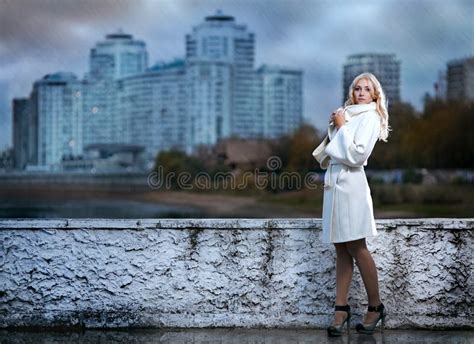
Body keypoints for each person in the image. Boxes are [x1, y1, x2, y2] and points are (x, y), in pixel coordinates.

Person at [321, 72, 390, 337]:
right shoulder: (348, 113)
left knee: (356, 245)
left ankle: (375, 306)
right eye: (357, 88)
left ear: (374, 95)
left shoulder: (371, 117)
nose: (360, 92)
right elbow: (333, 149)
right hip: (335, 184)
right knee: (340, 246)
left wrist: (341, 126)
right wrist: (336, 125)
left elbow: (358, 155)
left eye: (366, 89)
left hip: (352, 185)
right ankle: (341, 308)